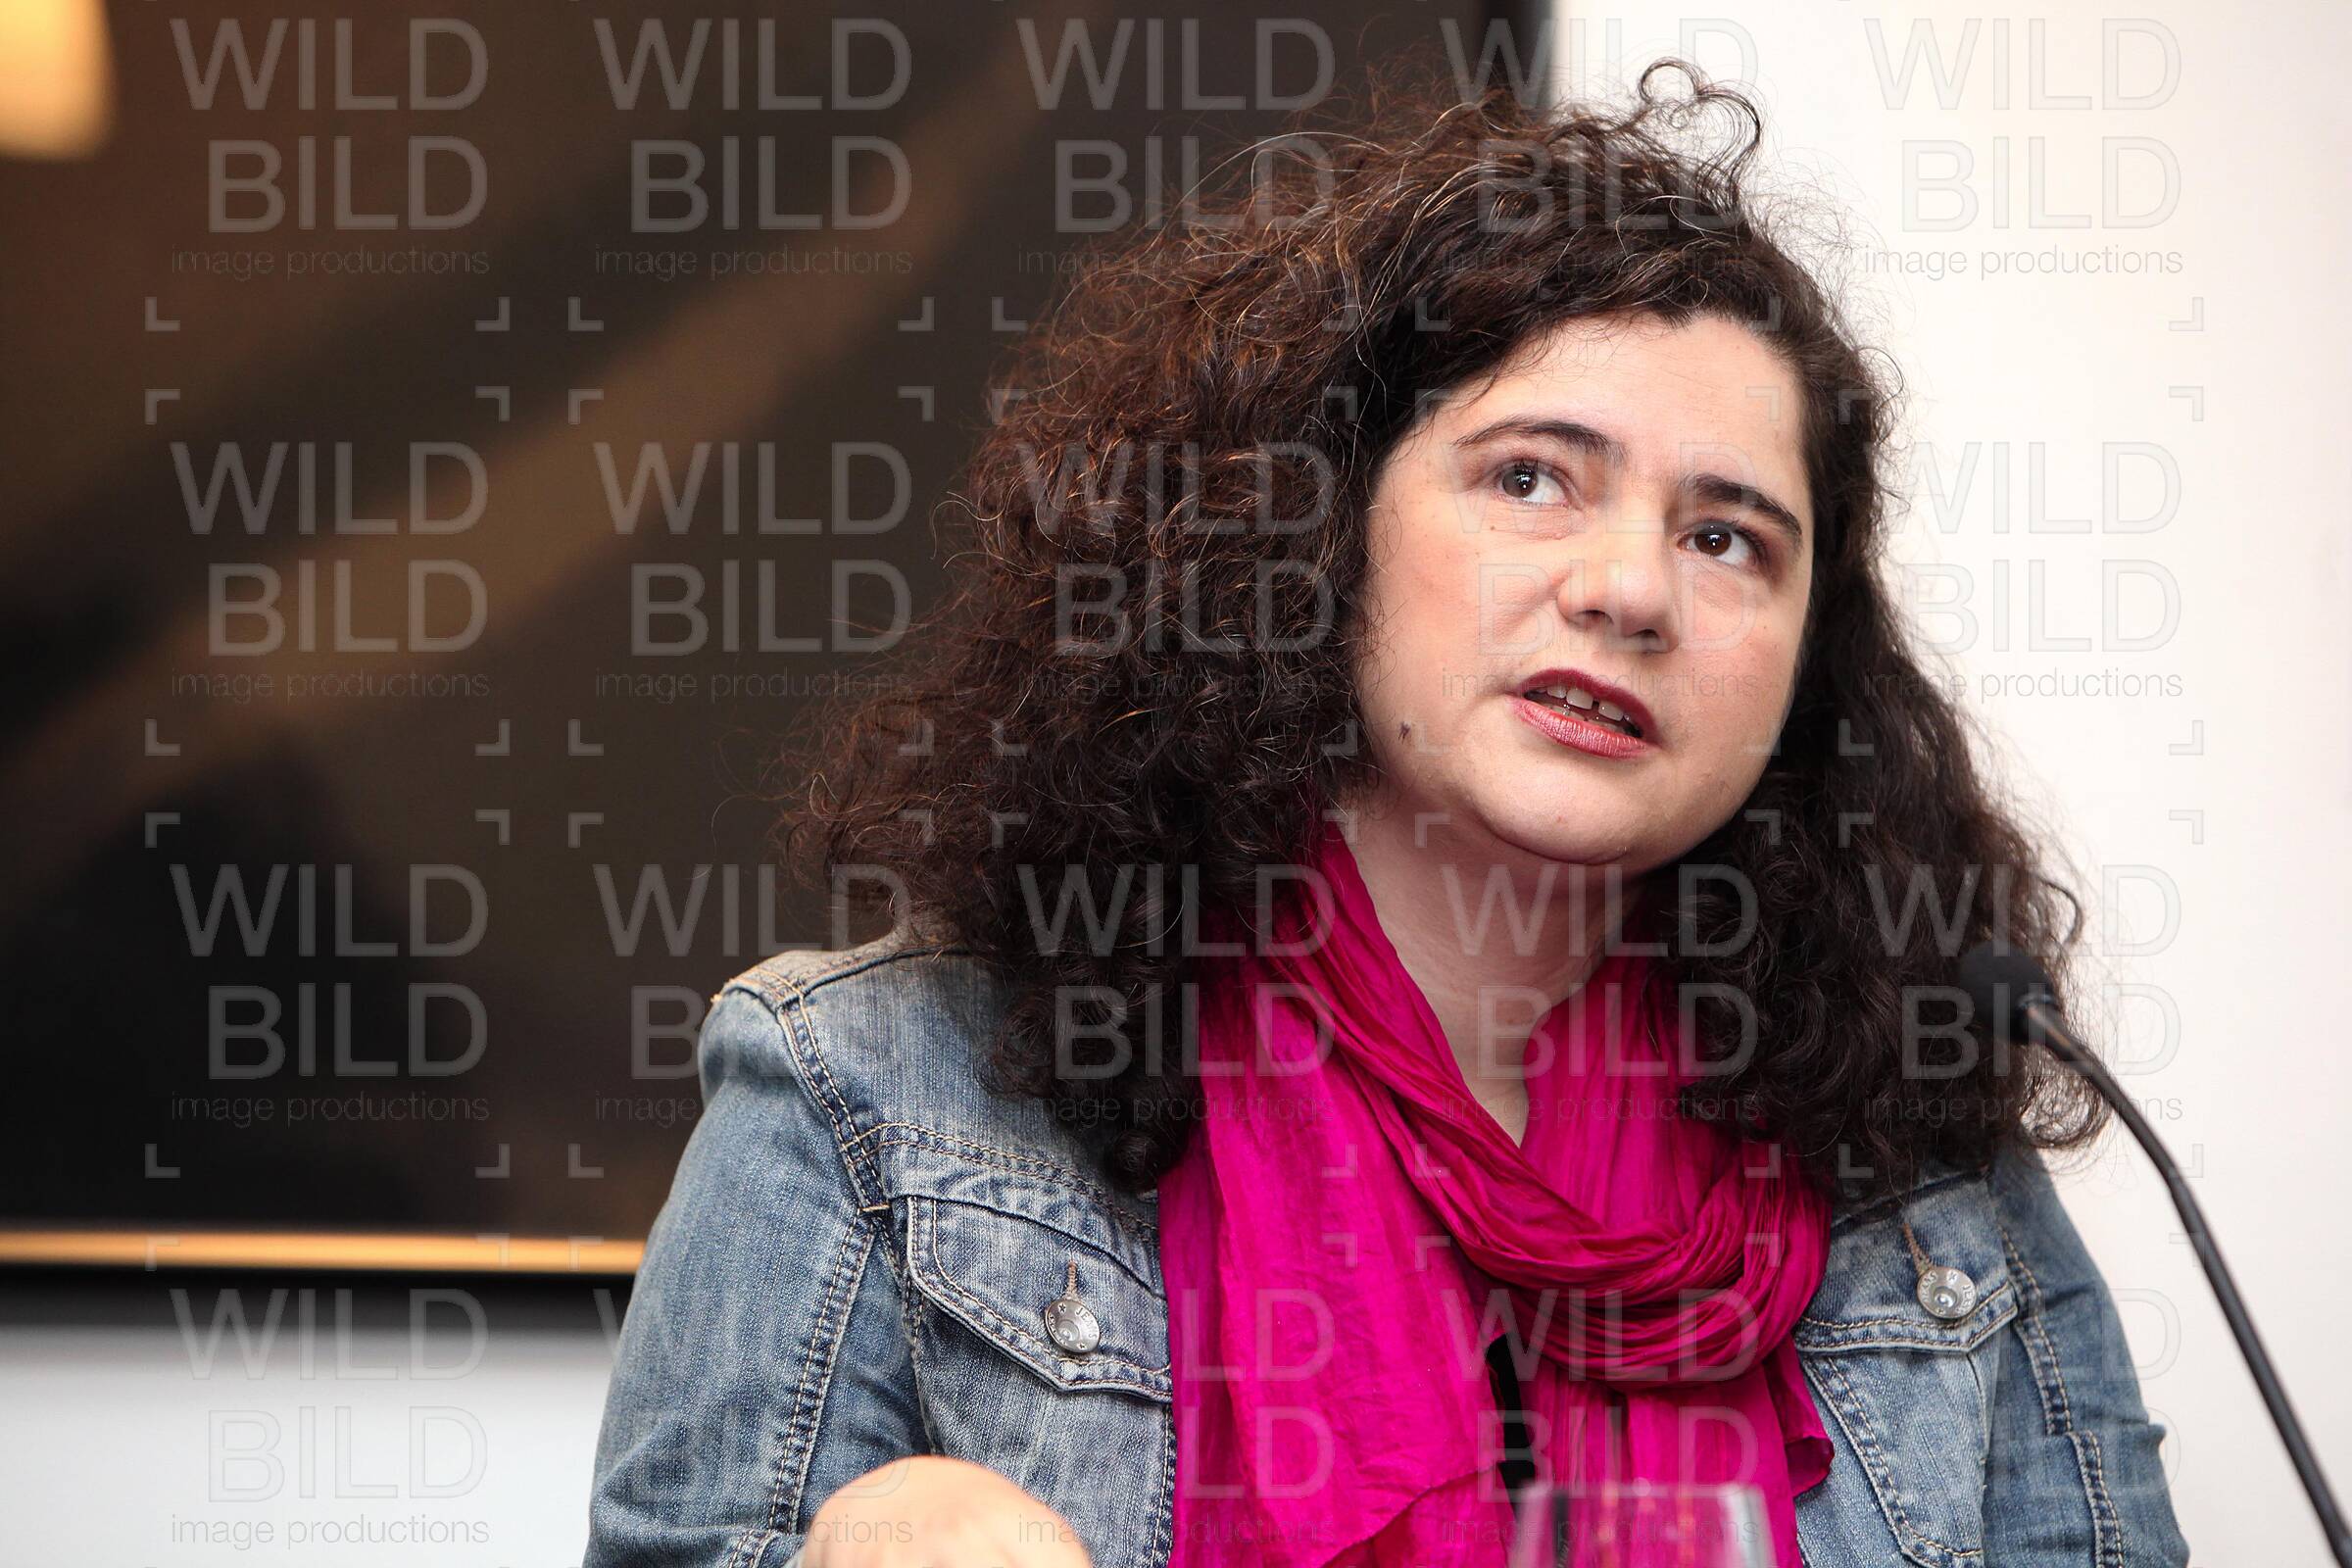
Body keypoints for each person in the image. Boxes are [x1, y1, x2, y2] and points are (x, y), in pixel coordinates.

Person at [584, 57, 2192, 1568]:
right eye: (1531, 477)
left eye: (1728, 540)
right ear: (1313, 529)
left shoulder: (1928, 1174)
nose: (1631, 589)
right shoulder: (869, 1093)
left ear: (1805, 661)